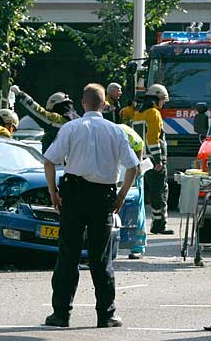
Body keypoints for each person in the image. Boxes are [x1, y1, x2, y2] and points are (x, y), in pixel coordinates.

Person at [43, 83, 139, 328]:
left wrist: (53, 192)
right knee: (101, 257)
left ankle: (61, 314)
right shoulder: (116, 131)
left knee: (68, 255)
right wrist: (120, 195)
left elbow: (49, 160)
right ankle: (106, 315)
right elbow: (134, 167)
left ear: (83, 103)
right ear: (105, 105)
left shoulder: (70, 128)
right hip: (102, 197)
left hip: (72, 194)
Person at [132, 84, 174, 235]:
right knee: (160, 191)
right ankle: (159, 224)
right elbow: (153, 139)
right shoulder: (154, 113)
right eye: (162, 100)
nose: (163, 103)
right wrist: (159, 160)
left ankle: (156, 222)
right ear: (157, 99)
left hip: (142, 159)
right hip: (153, 160)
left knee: (149, 192)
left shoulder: (138, 113)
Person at [10, 85, 79, 153]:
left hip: (58, 163)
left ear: (56, 107)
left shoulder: (59, 120)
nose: (51, 113)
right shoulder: (79, 122)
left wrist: (20, 94)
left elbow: (39, 112)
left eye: (50, 111)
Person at [118, 123, 148, 259]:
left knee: (137, 210)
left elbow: (139, 144)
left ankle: (138, 247)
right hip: (118, 171)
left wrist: (138, 164)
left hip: (132, 171)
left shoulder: (123, 131)